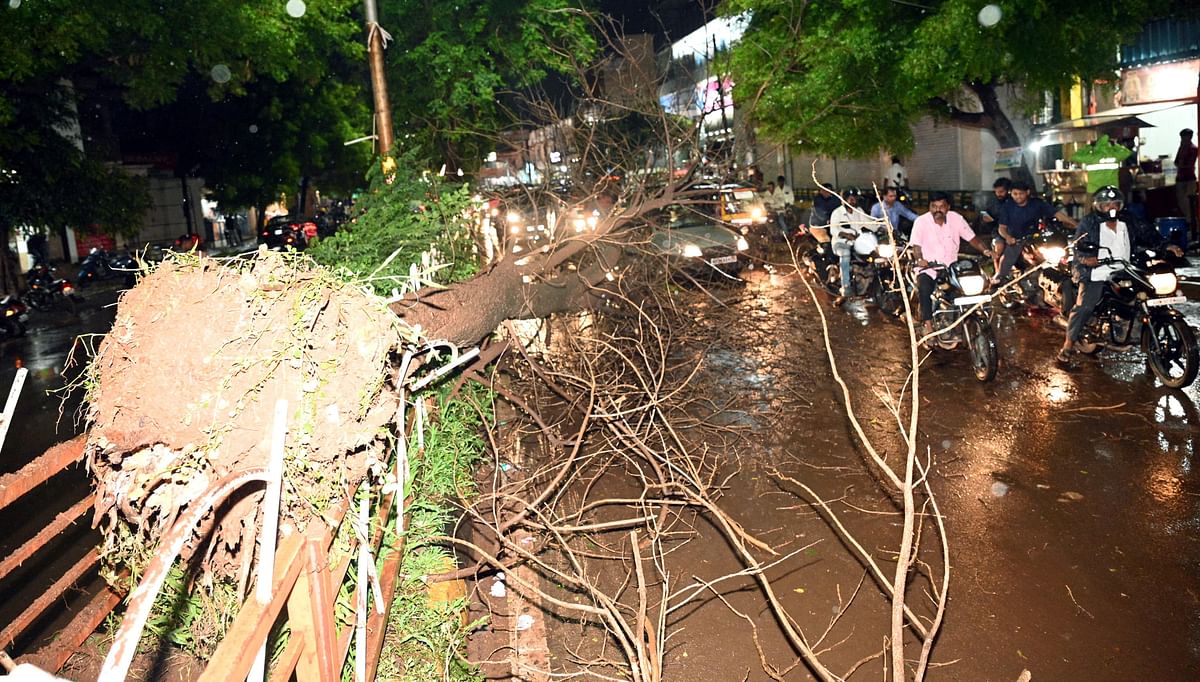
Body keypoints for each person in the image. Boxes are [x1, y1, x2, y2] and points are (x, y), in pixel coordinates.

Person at [1058, 186, 1184, 363]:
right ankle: (1068, 345)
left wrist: (1166, 246)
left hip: (1126, 267)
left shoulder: (1128, 220)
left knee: (1150, 292)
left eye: (1115, 204)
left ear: (1120, 205)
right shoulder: (1089, 222)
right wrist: (1087, 259)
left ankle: (1145, 332)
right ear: (1098, 206)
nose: (1112, 208)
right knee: (1085, 306)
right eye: (1107, 204)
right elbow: (1080, 245)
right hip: (1097, 270)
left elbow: (1148, 232)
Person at [909, 192, 994, 342]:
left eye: (941, 206)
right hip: (928, 268)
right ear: (929, 207)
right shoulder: (921, 222)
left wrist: (985, 250)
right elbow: (916, 246)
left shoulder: (956, 219)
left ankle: (960, 324)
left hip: (951, 268)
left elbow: (972, 238)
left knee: (964, 292)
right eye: (934, 206)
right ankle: (928, 328)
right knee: (925, 289)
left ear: (948, 207)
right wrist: (920, 259)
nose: (937, 210)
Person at [995, 180, 1077, 281]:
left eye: (1021, 193)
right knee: (1009, 257)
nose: (1018, 196)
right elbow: (1002, 228)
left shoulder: (1037, 204)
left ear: (1027, 192)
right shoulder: (1007, 207)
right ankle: (999, 278)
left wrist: (1076, 225)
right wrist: (1008, 237)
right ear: (1010, 194)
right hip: (1016, 239)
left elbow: (1058, 215)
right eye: (1015, 194)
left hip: (1037, 239)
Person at [829, 187, 875, 306]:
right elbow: (833, 229)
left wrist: (882, 227)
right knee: (845, 254)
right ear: (844, 200)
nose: (853, 201)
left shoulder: (858, 210)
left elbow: (869, 223)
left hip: (857, 242)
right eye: (850, 198)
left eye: (855, 198)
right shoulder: (837, 212)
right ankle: (846, 286)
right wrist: (845, 234)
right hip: (840, 243)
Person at [979, 178, 1012, 274]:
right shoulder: (993, 202)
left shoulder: (1014, 201)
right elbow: (985, 215)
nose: (999, 194)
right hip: (998, 232)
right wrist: (986, 219)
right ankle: (998, 273)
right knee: (999, 248)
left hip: (1016, 232)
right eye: (997, 192)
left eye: (1001, 192)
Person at [1175, 128, 1197, 233]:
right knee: (1181, 201)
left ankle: (1191, 222)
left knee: (1188, 202)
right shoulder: (1181, 148)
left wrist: (1181, 163)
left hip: (1189, 178)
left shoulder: (1193, 148)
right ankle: (1189, 221)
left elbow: (1186, 164)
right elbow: (1176, 162)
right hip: (1180, 178)